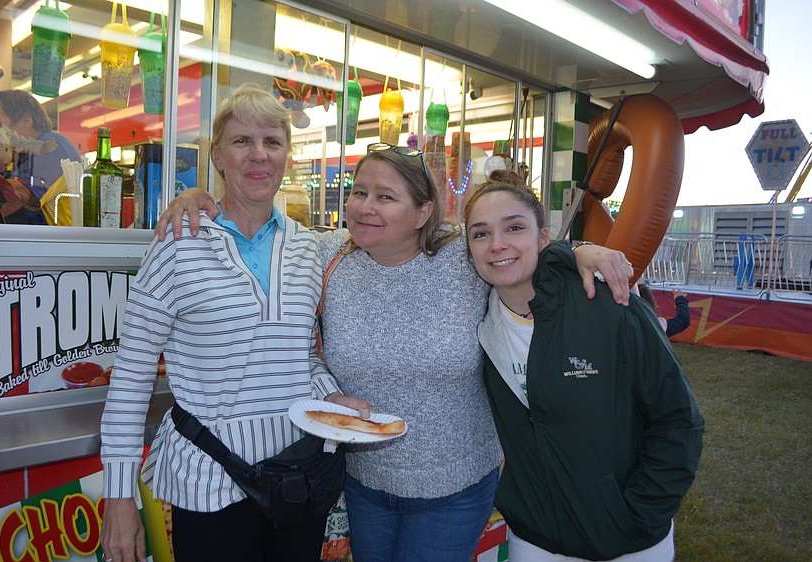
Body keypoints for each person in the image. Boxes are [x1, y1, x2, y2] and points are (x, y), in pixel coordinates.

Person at [155, 149, 635, 561]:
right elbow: (258, 228)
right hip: (365, 483)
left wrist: (578, 251)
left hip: (455, 486)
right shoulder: (330, 256)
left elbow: (513, 249)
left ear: (425, 212)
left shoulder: (462, 260)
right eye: (359, 192)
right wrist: (200, 199)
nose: (365, 207)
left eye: (386, 197)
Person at [99, 85, 345, 562]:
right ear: (216, 154)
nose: (259, 155)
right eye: (241, 141)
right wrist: (119, 496)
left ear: (288, 156)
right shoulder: (177, 244)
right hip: (208, 481)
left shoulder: (309, 249)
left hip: (299, 477)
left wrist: (333, 397)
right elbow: (130, 377)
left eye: (272, 142)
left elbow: (304, 353)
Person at [463, 179, 705, 561]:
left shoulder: (611, 307)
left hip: (629, 542)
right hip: (535, 539)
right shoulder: (475, 322)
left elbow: (678, 420)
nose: (497, 244)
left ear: (543, 238)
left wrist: (639, 514)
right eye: (481, 233)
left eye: (514, 227)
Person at [0, 89, 83, 224]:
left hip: (54, 243)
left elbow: (16, 196)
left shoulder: (53, 147)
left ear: (26, 121)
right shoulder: (16, 158)